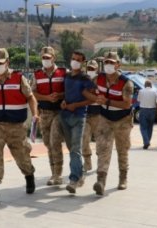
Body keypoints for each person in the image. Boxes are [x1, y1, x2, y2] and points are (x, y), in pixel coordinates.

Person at [0, 48, 40, 209]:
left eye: (0, 63)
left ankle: (29, 174)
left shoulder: (19, 78)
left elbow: (30, 97)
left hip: (16, 126)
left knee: (22, 156)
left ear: (7, 63)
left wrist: (35, 114)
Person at [93, 52, 134, 196]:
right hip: (105, 118)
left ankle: (123, 178)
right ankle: (101, 181)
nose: (108, 65)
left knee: (122, 149)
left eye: (111, 62)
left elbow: (127, 104)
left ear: (118, 65)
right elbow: (88, 91)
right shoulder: (99, 78)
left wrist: (107, 101)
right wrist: (96, 98)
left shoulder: (126, 82)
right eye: (106, 62)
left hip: (123, 119)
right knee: (103, 148)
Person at [59, 51, 96, 194]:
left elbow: (92, 98)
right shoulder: (67, 76)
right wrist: (64, 102)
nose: (75, 62)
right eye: (73, 59)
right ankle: (80, 175)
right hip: (65, 116)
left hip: (78, 117)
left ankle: (73, 179)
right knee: (72, 149)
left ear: (82, 63)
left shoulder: (85, 79)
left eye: (78, 60)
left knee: (75, 149)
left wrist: (77, 105)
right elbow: (66, 93)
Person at [32, 46, 65, 186]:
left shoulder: (63, 73)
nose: (45, 60)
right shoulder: (37, 74)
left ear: (54, 58)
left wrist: (60, 96)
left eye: (48, 57)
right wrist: (46, 97)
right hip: (44, 114)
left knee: (55, 142)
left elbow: (69, 91)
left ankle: (58, 174)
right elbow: (33, 93)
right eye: (43, 57)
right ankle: (53, 173)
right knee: (48, 144)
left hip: (58, 113)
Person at [82, 60, 101, 172]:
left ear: (97, 69)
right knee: (84, 139)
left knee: (100, 141)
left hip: (99, 114)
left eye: (93, 69)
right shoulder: (83, 80)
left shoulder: (101, 80)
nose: (90, 71)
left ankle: (100, 162)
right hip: (86, 114)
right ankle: (87, 163)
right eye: (89, 68)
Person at [137, 80, 157, 149]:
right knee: (150, 127)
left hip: (143, 110)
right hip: (152, 111)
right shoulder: (154, 92)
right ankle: (147, 140)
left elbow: (138, 100)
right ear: (151, 85)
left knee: (143, 127)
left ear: (145, 85)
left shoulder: (141, 91)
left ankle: (146, 142)